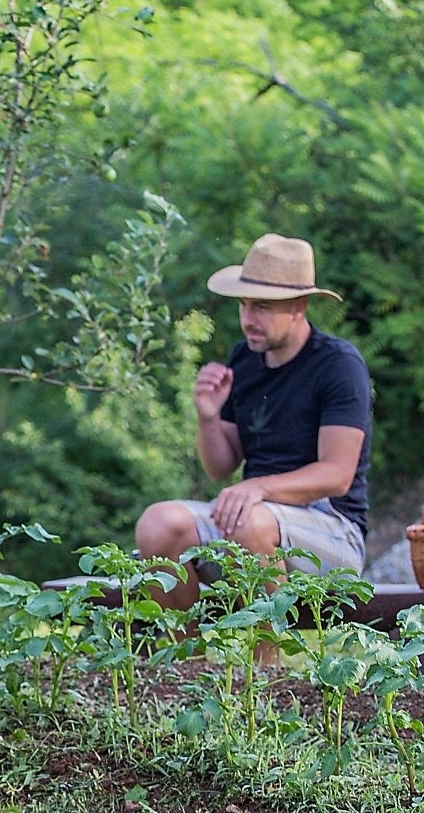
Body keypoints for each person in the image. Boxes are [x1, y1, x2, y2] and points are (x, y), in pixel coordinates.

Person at [135, 233, 372, 611]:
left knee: (248, 523)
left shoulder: (338, 365)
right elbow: (220, 467)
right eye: (243, 305)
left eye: (262, 307)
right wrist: (208, 416)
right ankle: (188, 666)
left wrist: (258, 488)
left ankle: (264, 668)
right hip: (252, 525)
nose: (248, 320)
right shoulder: (245, 360)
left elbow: (337, 475)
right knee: (158, 523)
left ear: (299, 306)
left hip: (332, 530)